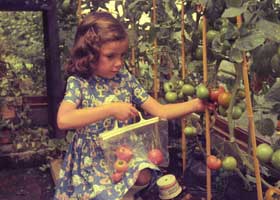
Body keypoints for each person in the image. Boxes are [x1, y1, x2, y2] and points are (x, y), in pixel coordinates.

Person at [54, 11, 206, 200]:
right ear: (89, 55)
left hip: (123, 152)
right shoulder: (79, 83)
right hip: (92, 159)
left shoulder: (124, 79)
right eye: (110, 56)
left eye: (122, 55)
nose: (119, 63)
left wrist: (196, 104)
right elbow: (64, 119)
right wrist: (110, 109)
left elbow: (160, 110)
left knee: (144, 174)